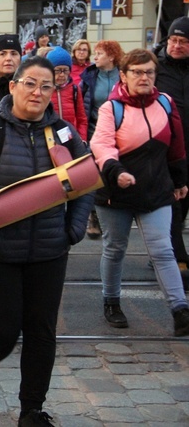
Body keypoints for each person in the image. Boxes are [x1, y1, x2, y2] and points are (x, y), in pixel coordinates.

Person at [0, 56, 92, 426]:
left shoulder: (63, 132)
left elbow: (87, 182)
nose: (37, 92)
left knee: (41, 330)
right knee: (3, 328)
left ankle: (32, 409)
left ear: (54, 92)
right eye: (30, 83)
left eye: (46, 86)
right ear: (13, 86)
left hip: (50, 250)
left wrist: (72, 230)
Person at [90, 48, 189, 337]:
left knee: (163, 250)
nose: (144, 77)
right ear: (124, 75)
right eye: (137, 72)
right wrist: (116, 171)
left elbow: (177, 146)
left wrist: (180, 180)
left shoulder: (166, 103)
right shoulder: (112, 108)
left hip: (156, 191)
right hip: (114, 192)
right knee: (115, 248)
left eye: (149, 72)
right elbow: (102, 145)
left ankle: (180, 310)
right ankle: (111, 303)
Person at [156, 17, 189, 291]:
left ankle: (169, 250)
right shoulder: (156, 67)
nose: (176, 46)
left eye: (183, 42)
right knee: (173, 202)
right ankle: (178, 258)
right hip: (166, 148)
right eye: (173, 41)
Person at [81, 40, 124, 239]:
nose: (94, 57)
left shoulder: (123, 75)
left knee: (114, 172)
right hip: (94, 132)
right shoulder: (89, 76)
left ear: (112, 57)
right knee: (94, 175)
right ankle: (94, 217)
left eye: (99, 54)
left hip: (121, 133)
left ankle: (117, 213)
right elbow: (80, 104)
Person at [47, 46, 87, 139]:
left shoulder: (74, 89)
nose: (62, 74)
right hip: (49, 138)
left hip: (70, 138)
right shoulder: (44, 89)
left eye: (65, 70)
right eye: (57, 70)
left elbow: (82, 119)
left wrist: (82, 139)